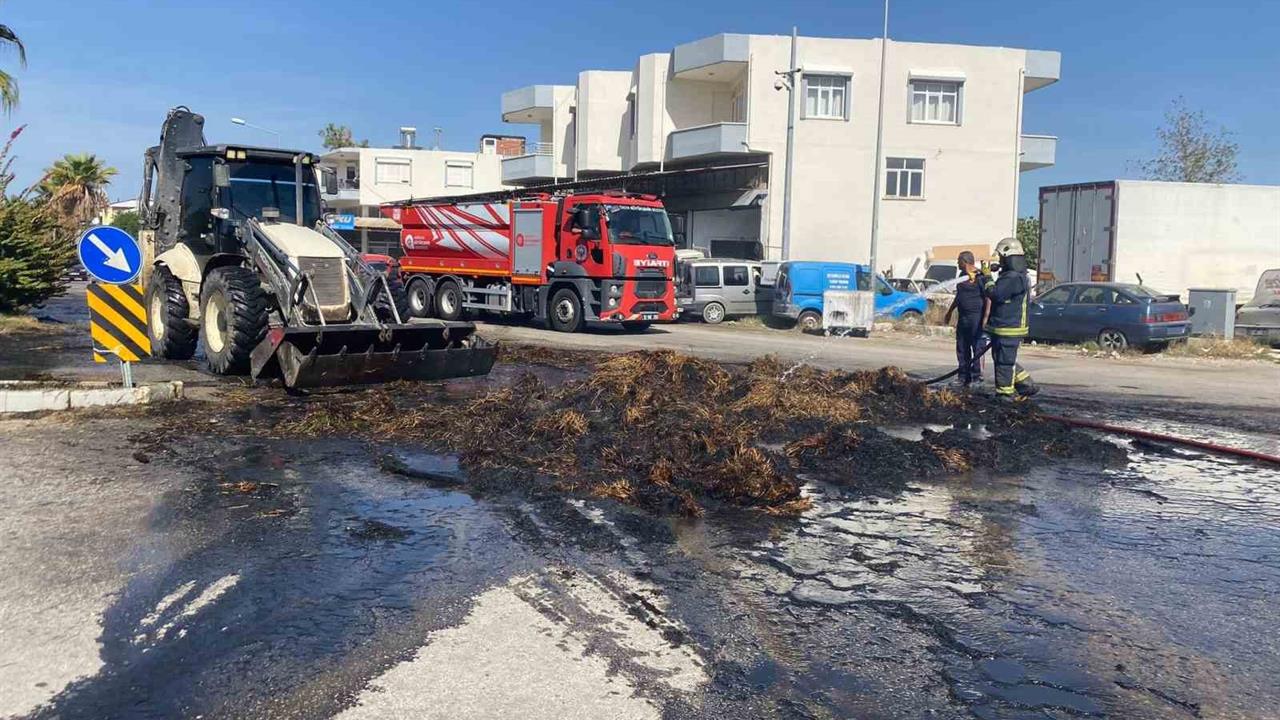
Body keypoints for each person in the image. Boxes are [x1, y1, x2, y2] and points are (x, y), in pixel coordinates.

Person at [980, 238, 1039, 399]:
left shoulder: (1012, 277)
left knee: (1004, 363)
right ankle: (1026, 384)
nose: (999, 260)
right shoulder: (1014, 276)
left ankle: (1005, 396)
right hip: (1004, 327)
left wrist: (986, 277)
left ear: (1008, 257)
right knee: (1003, 359)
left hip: (1008, 328)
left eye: (1001, 258)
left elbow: (996, 294)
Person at [943, 251, 989, 387]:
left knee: (978, 348)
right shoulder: (962, 276)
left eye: (959, 260)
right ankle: (963, 377)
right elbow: (959, 297)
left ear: (965, 261)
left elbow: (988, 298)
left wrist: (986, 318)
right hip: (963, 318)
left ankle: (977, 378)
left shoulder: (981, 277)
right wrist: (950, 312)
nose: (957, 263)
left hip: (976, 318)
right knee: (962, 347)